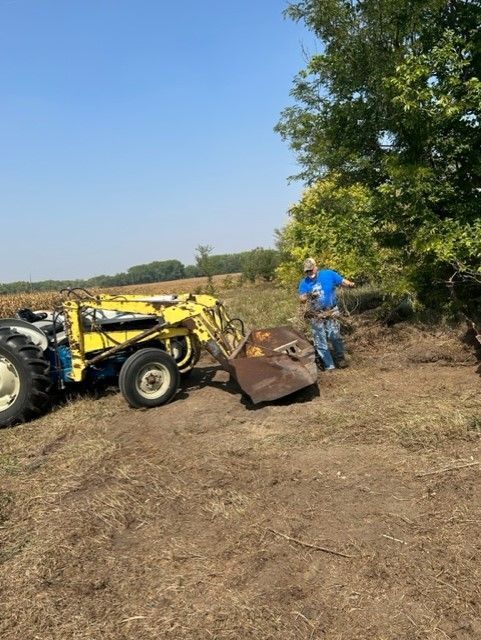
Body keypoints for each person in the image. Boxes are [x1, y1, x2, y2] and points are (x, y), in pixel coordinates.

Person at [298, 257, 355, 371]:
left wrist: (350, 284)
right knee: (320, 341)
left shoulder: (328, 274)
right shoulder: (304, 282)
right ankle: (330, 366)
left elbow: (342, 281)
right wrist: (309, 295)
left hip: (332, 311)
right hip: (315, 315)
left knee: (334, 336)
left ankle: (341, 358)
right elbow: (301, 298)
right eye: (307, 271)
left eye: (311, 270)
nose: (310, 273)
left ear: (316, 267)